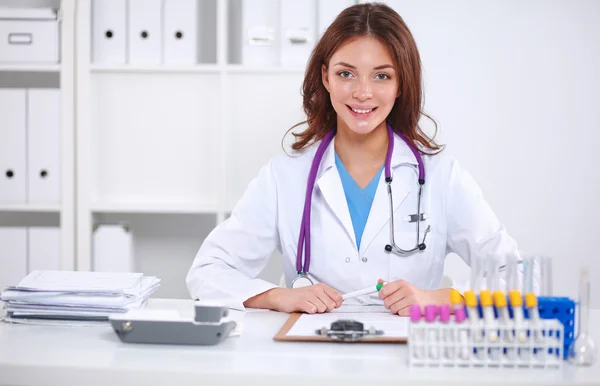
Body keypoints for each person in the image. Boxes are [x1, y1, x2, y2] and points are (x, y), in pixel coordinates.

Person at [187, 3, 533, 315]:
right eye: (345, 73)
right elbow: (207, 273)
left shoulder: (442, 176)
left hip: (409, 361)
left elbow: (518, 278)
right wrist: (277, 296)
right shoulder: (285, 176)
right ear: (325, 77)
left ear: (401, 84)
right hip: (311, 364)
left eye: (382, 75)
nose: (362, 92)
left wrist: (439, 299)